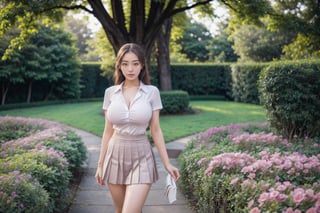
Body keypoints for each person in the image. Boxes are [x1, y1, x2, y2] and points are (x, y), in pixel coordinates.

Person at [95, 43, 180, 213]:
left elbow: (155, 130)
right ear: (119, 65)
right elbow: (108, 131)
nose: (130, 68)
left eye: (135, 63)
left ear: (142, 65)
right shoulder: (110, 93)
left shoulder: (151, 92)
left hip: (142, 156)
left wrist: (166, 163)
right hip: (114, 155)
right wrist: (100, 164)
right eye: (125, 64)